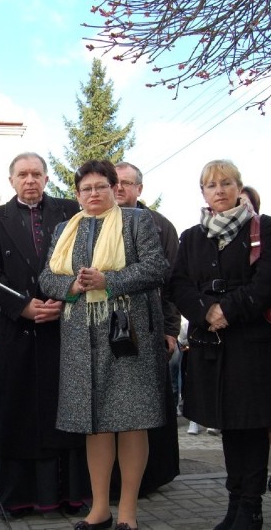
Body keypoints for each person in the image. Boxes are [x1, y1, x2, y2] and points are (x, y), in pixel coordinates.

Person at [39, 160, 170, 530]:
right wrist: (72, 287)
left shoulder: (136, 221)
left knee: (131, 422)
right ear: (77, 194)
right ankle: (100, 509)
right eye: (86, 189)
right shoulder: (65, 228)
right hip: (80, 338)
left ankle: (127, 512)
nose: (93, 194)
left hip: (127, 337)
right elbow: (46, 276)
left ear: (115, 189)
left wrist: (107, 279)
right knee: (94, 423)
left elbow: (157, 268)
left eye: (100, 186)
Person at [170, 160, 271, 530]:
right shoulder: (192, 236)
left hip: (253, 345)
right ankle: (234, 502)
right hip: (212, 346)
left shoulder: (265, 227)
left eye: (226, 183)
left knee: (251, 426)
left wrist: (229, 309)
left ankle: (251, 506)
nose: (219, 190)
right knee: (226, 425)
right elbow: (178, 285)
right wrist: (208, 312)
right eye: (211, 185)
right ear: (203, 193)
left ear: (239, 187)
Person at [0, 152, 89, 517]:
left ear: (46, 177)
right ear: (11, 180)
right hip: (17, 331)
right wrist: (23, 306)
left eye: (36, 174)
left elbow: (87, 258)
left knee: (65, 413)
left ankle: (68, 496)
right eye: (22, 174)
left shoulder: (71, 212)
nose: (30, 180)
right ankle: (21, 498)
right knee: (19, 412)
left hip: (64, 328)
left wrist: (62, 298)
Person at [113, 161, 180, 493]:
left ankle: (153, 477)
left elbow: (171, 284)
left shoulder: (161, 226)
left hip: (152, 327)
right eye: (116, 182)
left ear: (140, 188)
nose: (120, 188)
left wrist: (170, 330)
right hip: (110, 330)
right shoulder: (99, 223)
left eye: (127, 183)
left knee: (150, 407)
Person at [240, 185, 271, 495]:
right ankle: (246, 480)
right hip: (236, 335)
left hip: (267, 327)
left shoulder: (267, 229)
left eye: (244, 202)